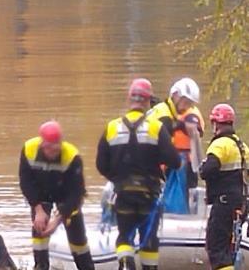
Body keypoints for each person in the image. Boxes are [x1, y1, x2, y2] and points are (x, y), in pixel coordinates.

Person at [96, 78, 180, 270]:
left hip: (123, 193)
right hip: (149, 194)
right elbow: (175, 161)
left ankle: (126, 261)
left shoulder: (111, 128)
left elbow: (101, 164)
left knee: (124, 235)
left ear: (130, 100)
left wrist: (117, 178)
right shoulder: (156, 128)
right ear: (148, 101)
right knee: (149, 238)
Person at [19, 120, 95, 270]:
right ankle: (40, 266)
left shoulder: (72, 156)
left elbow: (77, 193)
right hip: (41, 196)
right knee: (39, 236)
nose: (53, 153)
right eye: (49, 150)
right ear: (42, 145)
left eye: (56, 149)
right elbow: (26, 182)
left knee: (78, 243)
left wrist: (58, 219)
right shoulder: (29, 149)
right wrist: (38, 210)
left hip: (66, 196)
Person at [199, 103, 249, 270]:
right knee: (229, 251)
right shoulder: (243, 147)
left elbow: (207, 171)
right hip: (241, 205)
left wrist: (202, 166)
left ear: (216, 124)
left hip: (223, 205)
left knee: (217, 250)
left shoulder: (220, 145)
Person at [148, 78, 204, 195]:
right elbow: (165, 128)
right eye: (185, 102)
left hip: (168, 167)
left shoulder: (182, 112)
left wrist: (184, 125)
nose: (186, 107)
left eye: (190, 103)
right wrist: (179, 125)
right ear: (175, 95)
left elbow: (193, 125)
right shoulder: (162, 112)